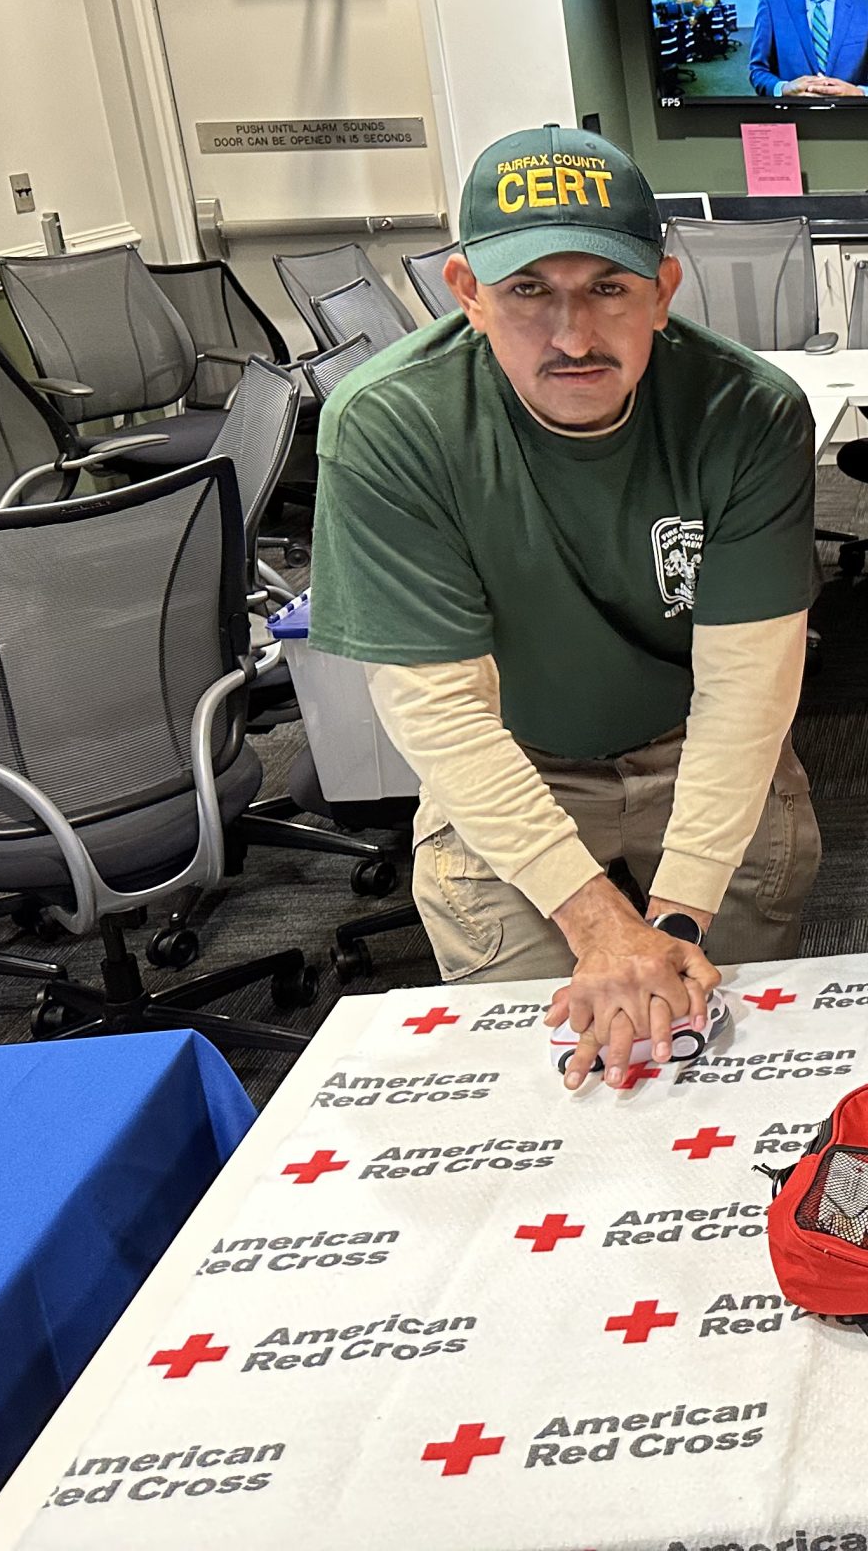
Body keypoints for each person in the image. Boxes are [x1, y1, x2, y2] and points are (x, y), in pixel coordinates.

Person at [309, 125, 822, 1088]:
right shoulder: (391, 423)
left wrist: (667, 927)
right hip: (512, 760)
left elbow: (748, 692)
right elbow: (441, 710)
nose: (573, 335)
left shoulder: (747, 413)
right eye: (529, 291)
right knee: (539, 1069)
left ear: (664, 293)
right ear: (466, 294)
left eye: (608, 289)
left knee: (743, 1047)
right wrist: (594, 922)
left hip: (695, 748)